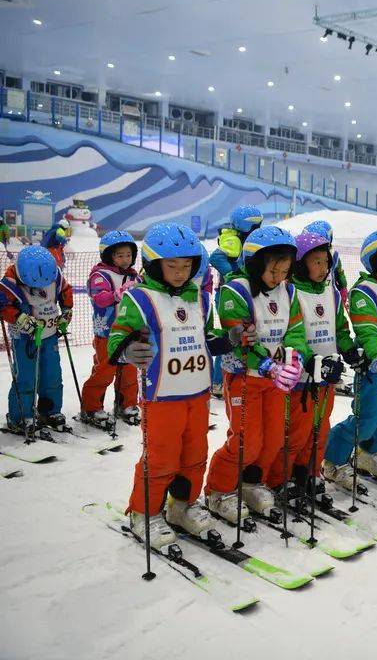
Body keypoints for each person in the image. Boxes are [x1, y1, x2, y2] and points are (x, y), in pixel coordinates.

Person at [107, 223, 246, 549]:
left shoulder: (198, 297)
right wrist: (127, 349)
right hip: (162, 397)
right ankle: (143, 512)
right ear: (155, 264)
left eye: (186, 265)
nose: (181, 272)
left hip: (196, 395)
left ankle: (182, 504)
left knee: (194, 453)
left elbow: (206, 340)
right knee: (161, 457)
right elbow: (117, 335)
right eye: (172, 265)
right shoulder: (139, 298)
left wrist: (228, 340)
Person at [203, 226, 309, 522]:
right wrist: (265, 364)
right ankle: (219, 489)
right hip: (245, 377)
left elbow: (296, 330)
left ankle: (252, 482)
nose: (278, 278)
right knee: (247, 440)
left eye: (284, 271)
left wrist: (293, 359)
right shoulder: (235, 290)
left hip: (274, 382)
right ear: (255, 264)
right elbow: (238, 336)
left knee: (273, 438)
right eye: (272, 271)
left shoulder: (289, 291)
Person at [266, 231, 362, 493]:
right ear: (300, 263)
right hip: (301, 379)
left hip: (326, 376)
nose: (323, 267)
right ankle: (279, 478)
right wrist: (308, 360)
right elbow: (290, 334)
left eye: (326, 262)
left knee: (319, 431)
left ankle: (309, 472)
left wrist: (349, 350)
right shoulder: (290, 292)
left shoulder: (331, 293)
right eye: (316, 262)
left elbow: (340, 329)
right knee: (295, 433)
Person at [323, 229, 377, 483]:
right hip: (376, 370)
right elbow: (367, 331)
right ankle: (334, 458)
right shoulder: (364, 291)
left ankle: (367, 453)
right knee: (366, 420)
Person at [1, 246, 73, 431]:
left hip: (50, 334)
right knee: (26, 377)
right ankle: (21, 416)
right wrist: (19, 318)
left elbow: (65, 291)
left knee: (52, 374)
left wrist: (66, 311)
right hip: (25, 338)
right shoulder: (11, 281)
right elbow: (4, 306)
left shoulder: (54, 274)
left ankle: (50, 410)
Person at [80, 231, 140, 429]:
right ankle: (91, 408)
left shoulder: (133, 276)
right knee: (105, 371)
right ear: (108, 255)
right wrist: (118, 293)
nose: (125, 259)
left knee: (130, 371)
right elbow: (99, 298)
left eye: (128, 255)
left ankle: (127, 405)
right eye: (120, 255)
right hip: (107, 333)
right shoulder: (100, 275)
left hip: (129, 332)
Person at [208, 205, 263, 398]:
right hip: (229, 294)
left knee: (241, 334)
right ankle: (216, 382)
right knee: (229, 337)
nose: (258, 228)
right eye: (254, 226)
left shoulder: (243, 238)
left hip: (241, 291)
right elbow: (215, 257)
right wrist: (232, 275)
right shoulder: (234, 240)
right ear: (244, 226)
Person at [303, 220, 348, 304]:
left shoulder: (333, 255)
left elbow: (339, 273)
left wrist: (342, 288)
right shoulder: (298, 256)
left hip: (327, 291)